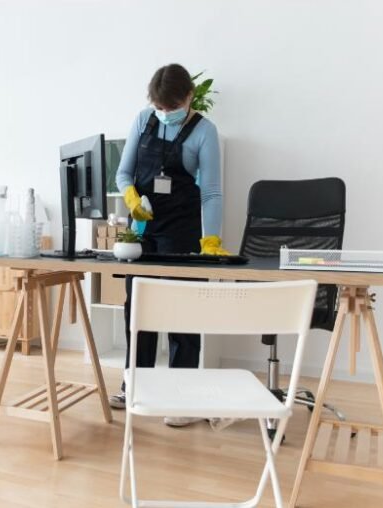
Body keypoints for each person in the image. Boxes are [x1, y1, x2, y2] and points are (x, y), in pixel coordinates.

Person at [109, 64, 229, 427]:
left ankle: (182, 396)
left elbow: (210, 193)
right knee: (139, 309)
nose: (164, 114)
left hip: (183, 230)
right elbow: (123, 173)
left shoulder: (205, 132)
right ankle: (136, 385)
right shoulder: (143, 120)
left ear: (189, 97)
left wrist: (210, 240)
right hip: (143, 229)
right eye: (159, 107)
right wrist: (131, 200)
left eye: (171, 107)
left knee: (182, 313)